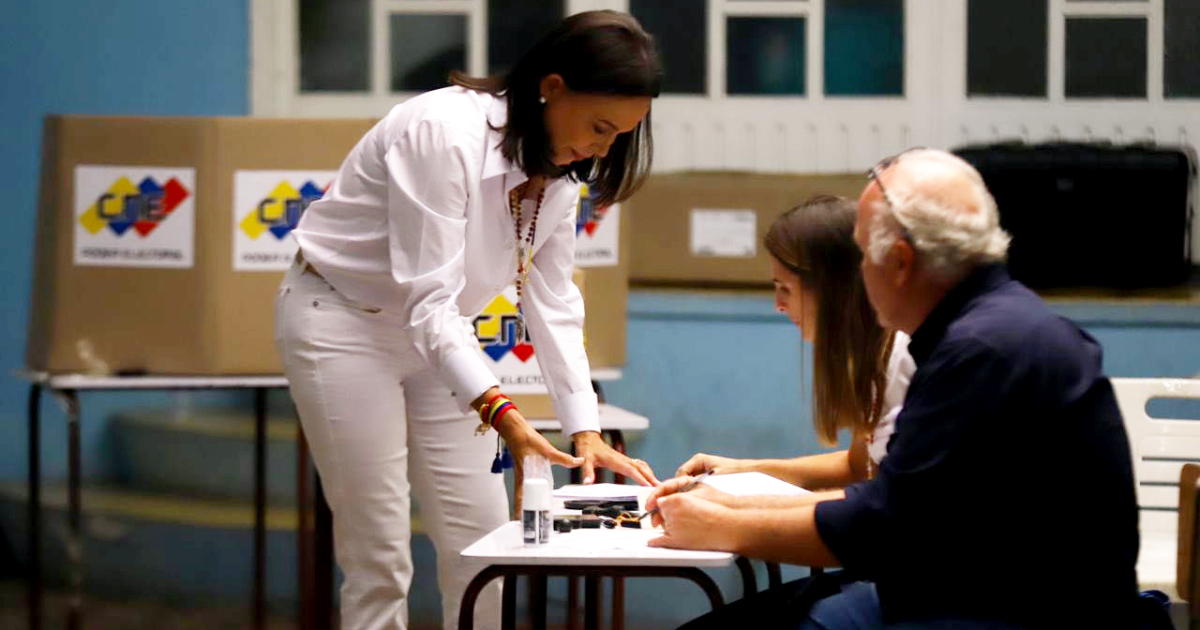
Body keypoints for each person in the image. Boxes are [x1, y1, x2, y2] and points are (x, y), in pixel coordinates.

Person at [274, 11, 662, 629]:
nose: (601, 147)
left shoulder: (560, 171)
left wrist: (583, 427)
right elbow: (427, 298)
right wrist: (502, 412)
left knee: (483, 544)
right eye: (598, 126)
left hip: (441, 339)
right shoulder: (443, 132)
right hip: (344, 323)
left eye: (619, 135)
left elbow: (554, 301)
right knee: (378, 554)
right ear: (552, 87)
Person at [648, 148, 1141, 630]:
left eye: (862, 255)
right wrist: (723, 506)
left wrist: (724, 524)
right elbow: (894, 502)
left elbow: (881, 527)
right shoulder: (991, 329)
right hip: (983, 593)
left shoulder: (982, 350)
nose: (857, 277)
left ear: (901, 262)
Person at [674, 195, 915, 493]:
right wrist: (742, 470)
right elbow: (856, 467)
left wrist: (732, 515)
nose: (778, 305)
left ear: (833, 290)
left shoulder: (902, 356)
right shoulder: (875, 354)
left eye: (785, 289)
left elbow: (883, 503)